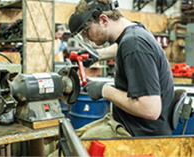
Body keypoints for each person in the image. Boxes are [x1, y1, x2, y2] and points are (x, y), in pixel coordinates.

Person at [68, 0, 174, 137]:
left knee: (66, 149)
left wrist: (104, 90)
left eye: (86, 30)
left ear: (104, 20)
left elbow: (150, 109)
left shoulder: (134, 44)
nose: (85, 36)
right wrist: (97, 55)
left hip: (138, 134)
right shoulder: (135, 32)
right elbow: (123, 47)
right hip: (127, 122)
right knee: (69, 138)